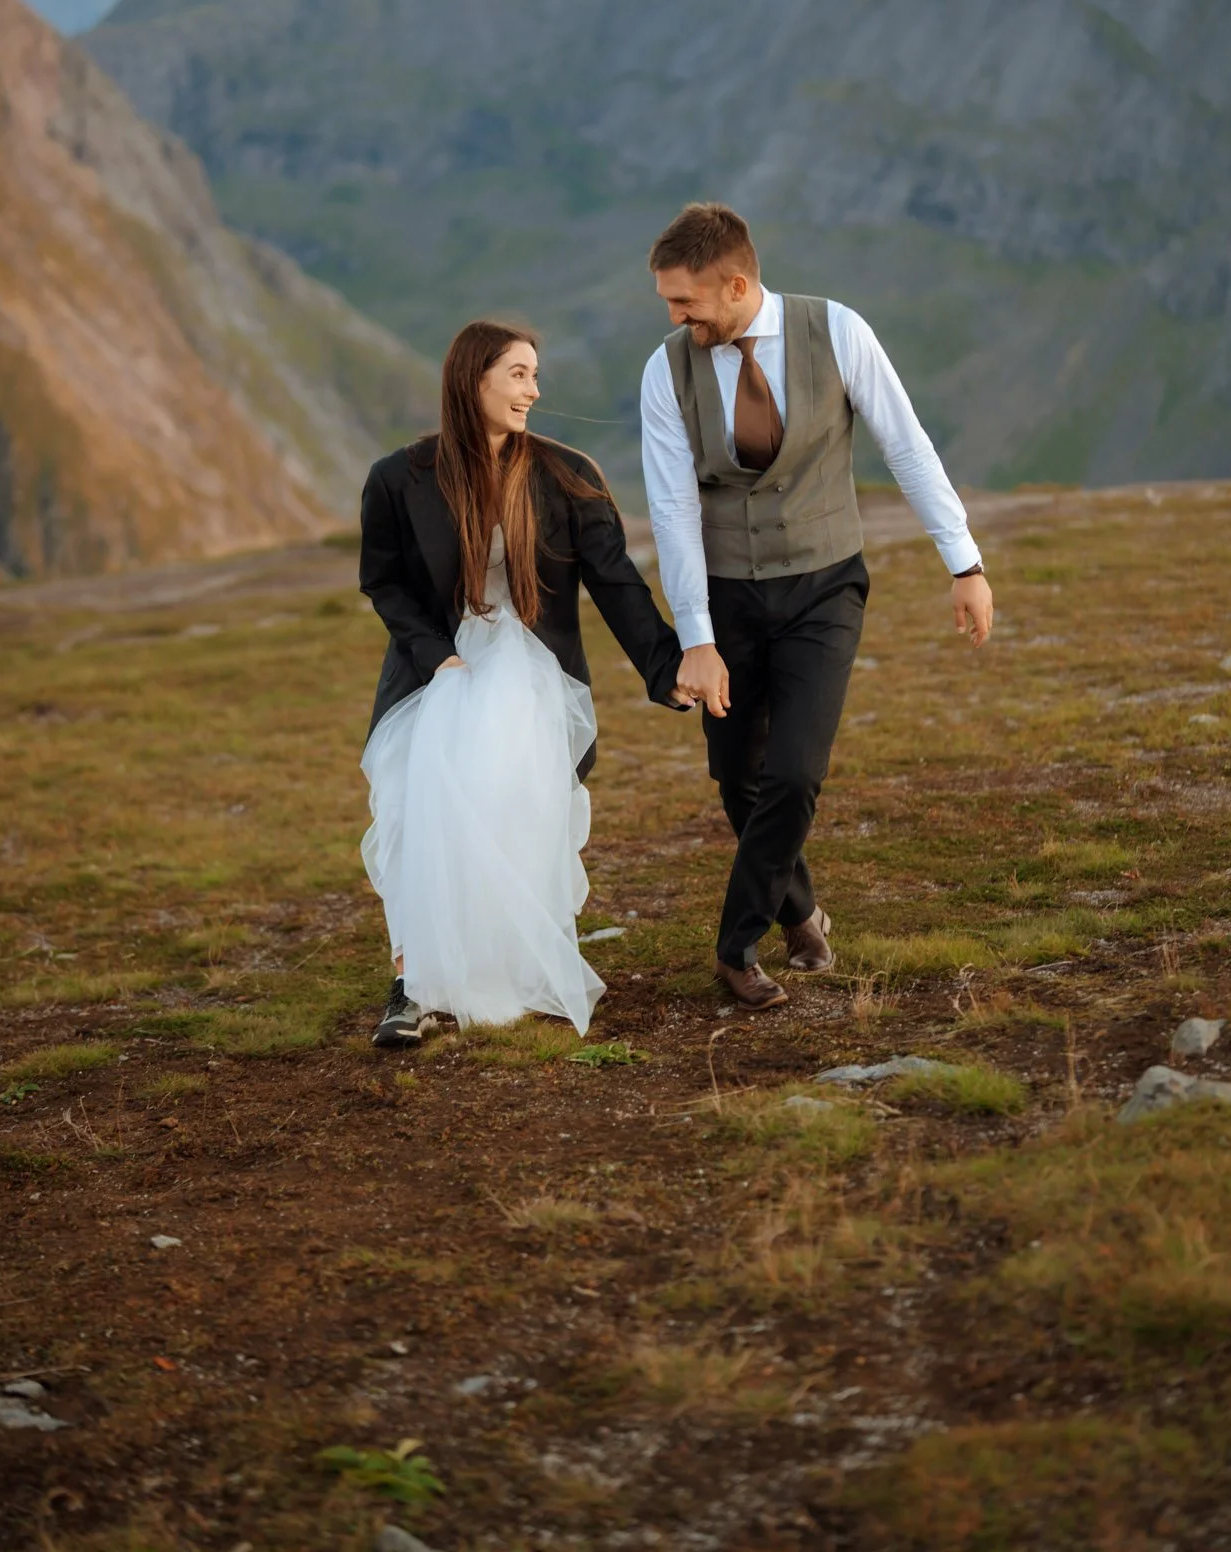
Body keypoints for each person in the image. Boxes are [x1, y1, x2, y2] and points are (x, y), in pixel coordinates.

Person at [640, 203, 994, 1009]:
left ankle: (737, 947)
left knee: (794, 772)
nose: (674, 318)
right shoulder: (665, 369)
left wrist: (962, 561)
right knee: (736, 776)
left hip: (823, 585)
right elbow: (671, 509)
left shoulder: (836, 331)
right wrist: (695, 636)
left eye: (684, 301)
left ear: (735, 284)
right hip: (727, 597)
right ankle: (799, 909)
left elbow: (904, 443)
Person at [359, 320, 684, 1047]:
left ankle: (505, 961)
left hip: (536, 674)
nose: (533, 390)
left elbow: (616, 582)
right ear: (473, 379)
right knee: (414, 807)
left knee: (513, 811)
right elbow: (381, 581)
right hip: (434, 669)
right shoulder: (397, 478)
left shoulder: (567, 475)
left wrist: (665, 667)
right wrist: (434, 654)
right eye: (517, 374)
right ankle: (411, 985)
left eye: (535, 374)